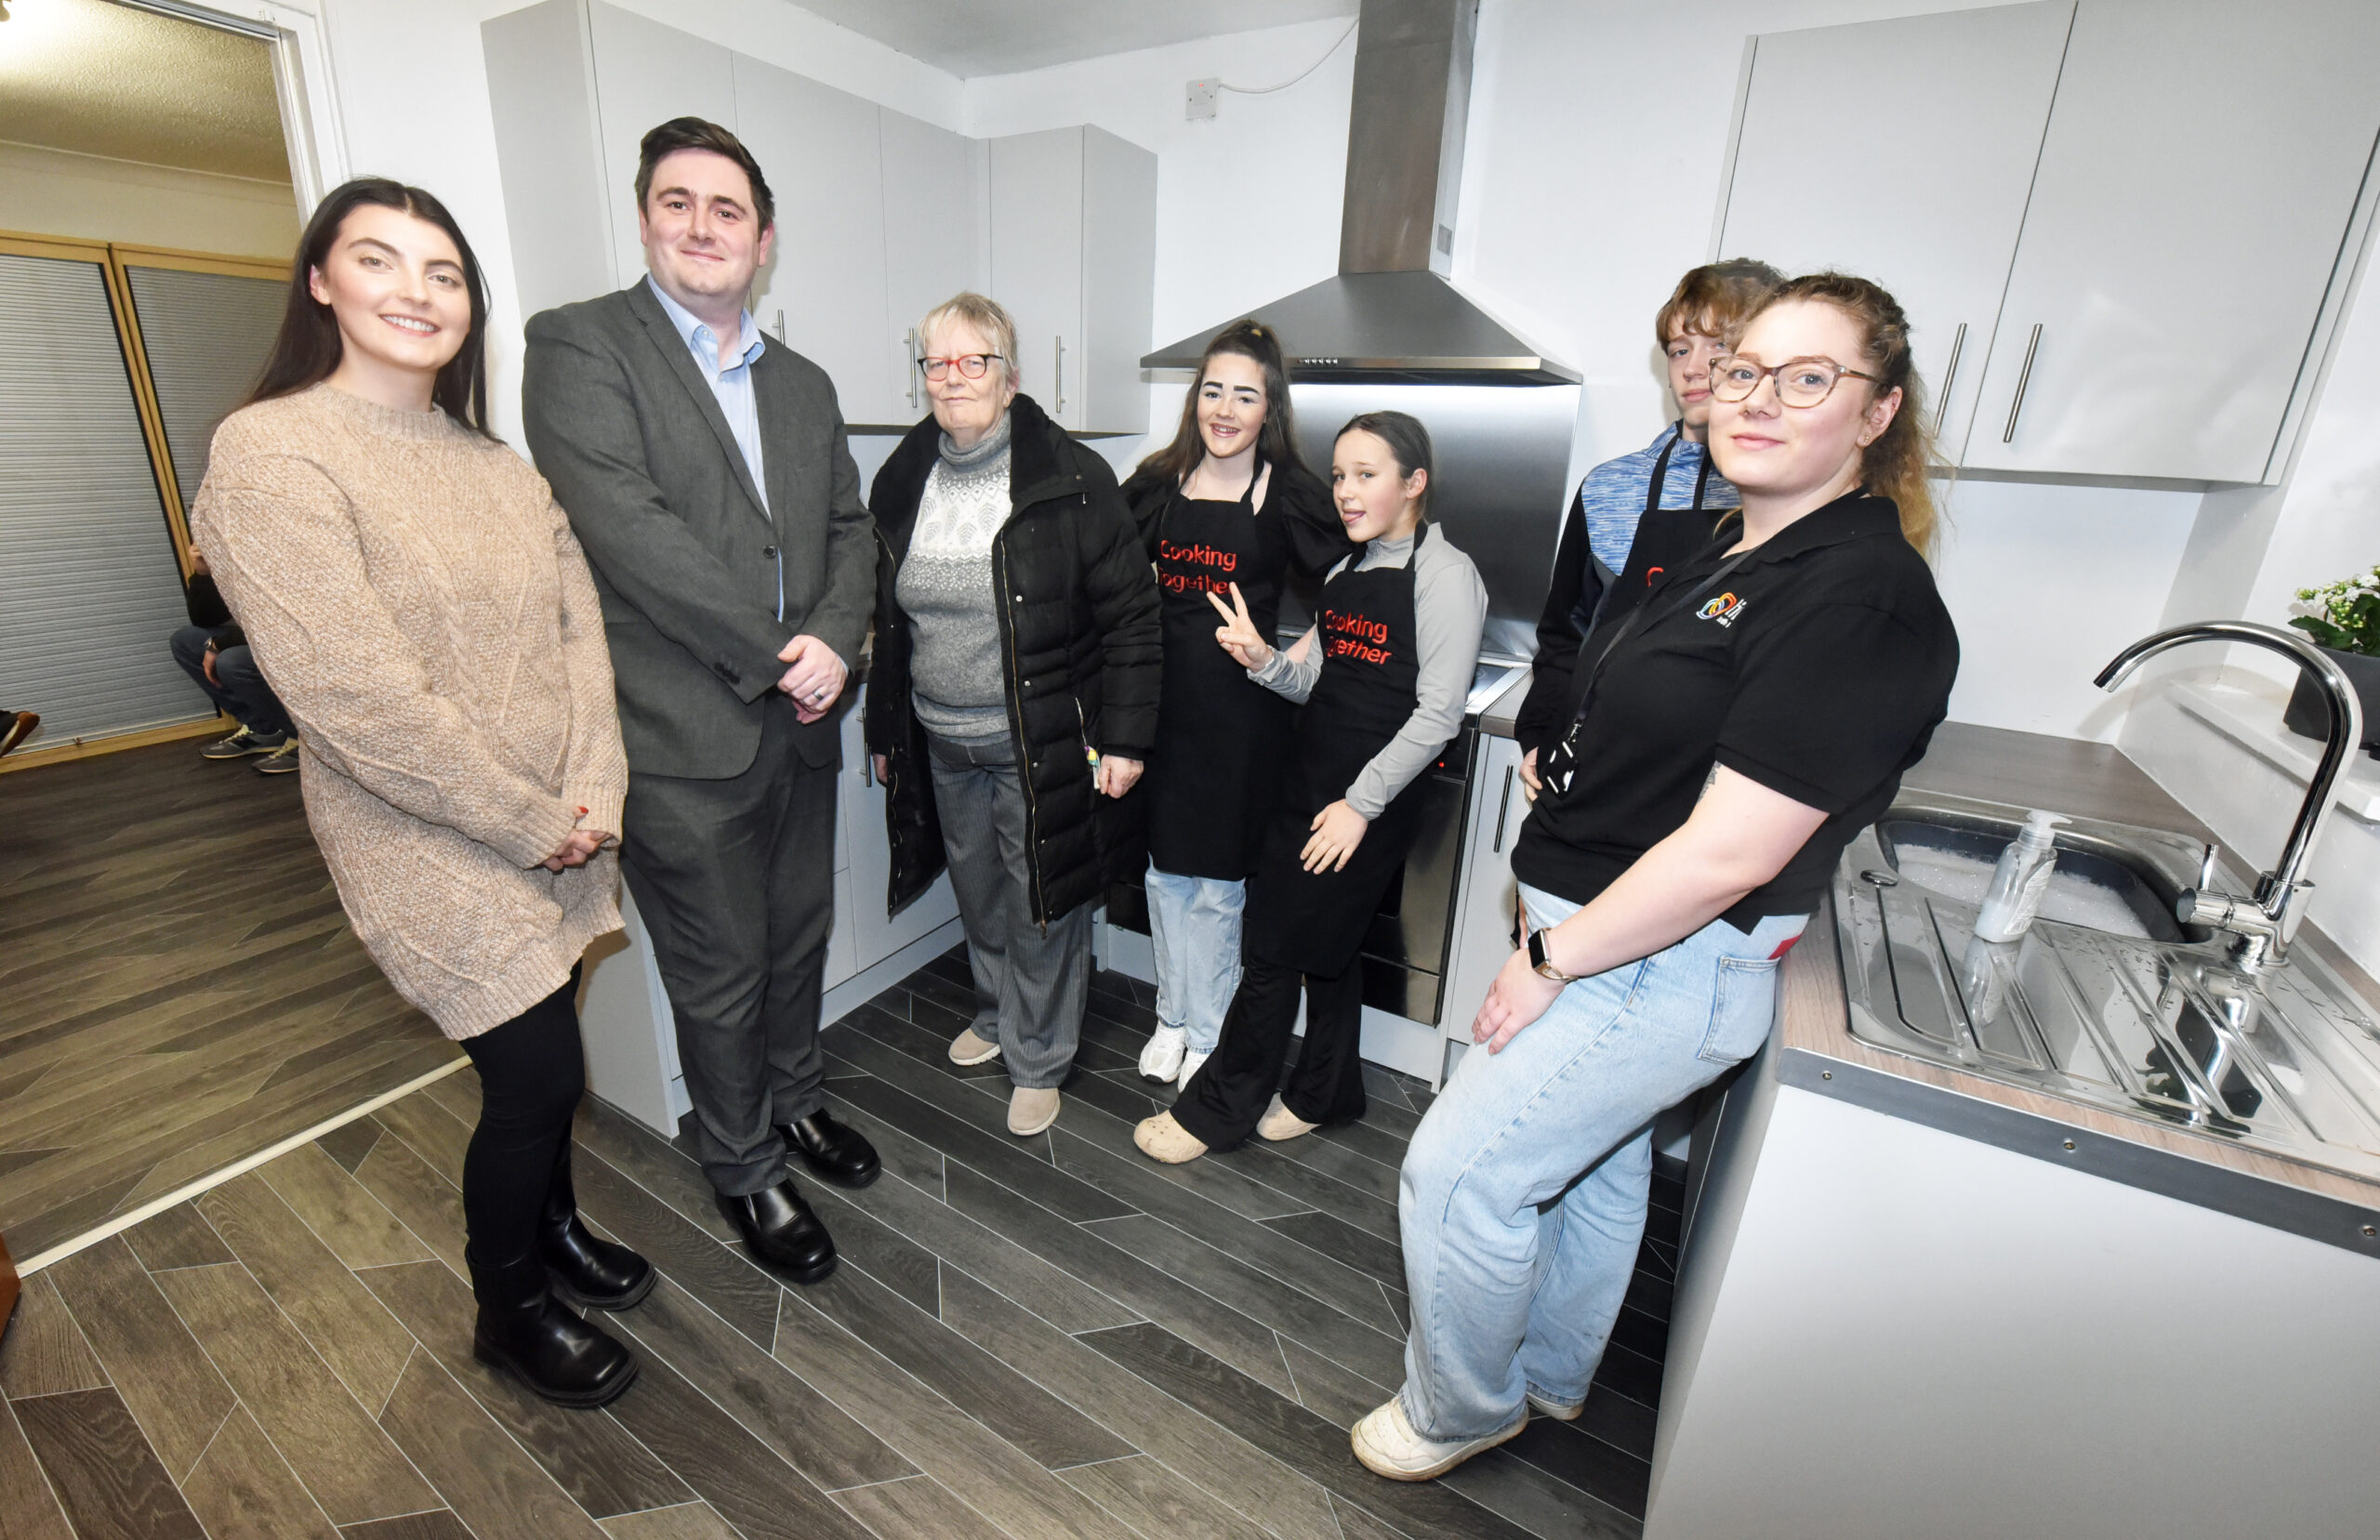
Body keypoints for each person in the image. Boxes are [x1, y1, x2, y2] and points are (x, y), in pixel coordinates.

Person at [1354, 273, 1959, 1481]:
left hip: (1649, 959)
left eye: (1808, 378)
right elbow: (1630, 689)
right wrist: (1563, 766)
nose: (1759, 398)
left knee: (1459, 1174)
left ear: (1877, 412)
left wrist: (1544, 960)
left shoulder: (1861, 595)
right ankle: (1557, 1378)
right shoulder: (1723, 538)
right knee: (1594, 1163)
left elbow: (1734, 847)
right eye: (1743, 370)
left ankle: (1461, 1406)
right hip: (1608, 924)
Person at [191, 178, 650, 1409]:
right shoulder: (271, 451)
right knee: (541, 1072)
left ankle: (554, 1237)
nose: (416, 291)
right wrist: (532, 819)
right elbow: (358, 703)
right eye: (380, 261)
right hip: (424, 835)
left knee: (544, 1049)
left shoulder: (496, 465)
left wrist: (594, 781)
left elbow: (579, 633)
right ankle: (509, 1310)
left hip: (563, 815)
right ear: (321, 283)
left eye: (443, 272)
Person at [522, 118, 880, 1286]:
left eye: (727, 211)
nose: (702, 227)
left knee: (797, 942)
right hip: (683, 736)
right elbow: (633, 537)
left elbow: (845, 529)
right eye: (677, 203)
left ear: (762, 240)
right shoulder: (580, 347)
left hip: (806, 720)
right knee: (720, 967)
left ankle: (795, 1104)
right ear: (644, 219)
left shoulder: (805, 382)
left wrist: (834, 641)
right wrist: (786, 650)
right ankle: (742, 1165)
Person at [1135, 411, 1485, 1164]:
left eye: (1366, 475)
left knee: (1273, 947)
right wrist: (1262, 657)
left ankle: (1219, 1108)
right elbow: (1312, 681)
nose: (1346, 492)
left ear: (1414, 482)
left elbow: (1438, 718)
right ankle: (1327, 1090)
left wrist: (1360, 805)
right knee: (1328, 950)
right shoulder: (1345, 572)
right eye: (1338, 476)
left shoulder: (1446, 577)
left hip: (1369, 799)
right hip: (1310, 780)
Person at [866, 293, 1161, 1138]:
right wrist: (887, 729)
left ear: (1010, 375)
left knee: (1043, 897)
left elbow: (1133, 615)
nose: (953, 379)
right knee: (979, 887)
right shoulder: (903, 476)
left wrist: (1129, 737)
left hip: (1038, 736)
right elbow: (887, 616)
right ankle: (998, 1013)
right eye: (937, 362)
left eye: (974, 362)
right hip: (940, 736)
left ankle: (1039, 1055)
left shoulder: (1067, 478)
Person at [1119, 321, 1346, 1091]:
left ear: (1268, 407)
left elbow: (1352, 586)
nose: (1224, 408)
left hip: (1243, 719)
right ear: (1196, 399)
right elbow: (1110, 577)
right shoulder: (1155, 482)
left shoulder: (1292, 494)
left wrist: (1284, 661)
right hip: (1158, 709)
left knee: (1218, 886)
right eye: (1213, 389)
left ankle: (1211, 1033)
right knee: (1163, 874)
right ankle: (1171, 1017)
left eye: (1244, 394)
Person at [1512, 259, 1783, 790]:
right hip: (1596, 770)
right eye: (1680, 350)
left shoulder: (1784, 500)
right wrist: (1542, 734)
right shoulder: (1611, 488)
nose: (1693, 368)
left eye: (1720, 348)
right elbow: (1565, 635)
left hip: (1719, 791)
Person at [170, 545, 300, 774]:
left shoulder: (284, 546)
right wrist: (203, 573)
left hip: (297, 642)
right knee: (186, 641)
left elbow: (279, 622)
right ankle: (266, 728)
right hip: (259, 638)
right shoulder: (235, 552)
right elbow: (204, 619)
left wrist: (219, 644)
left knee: (232, 662)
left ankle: (305, 740)